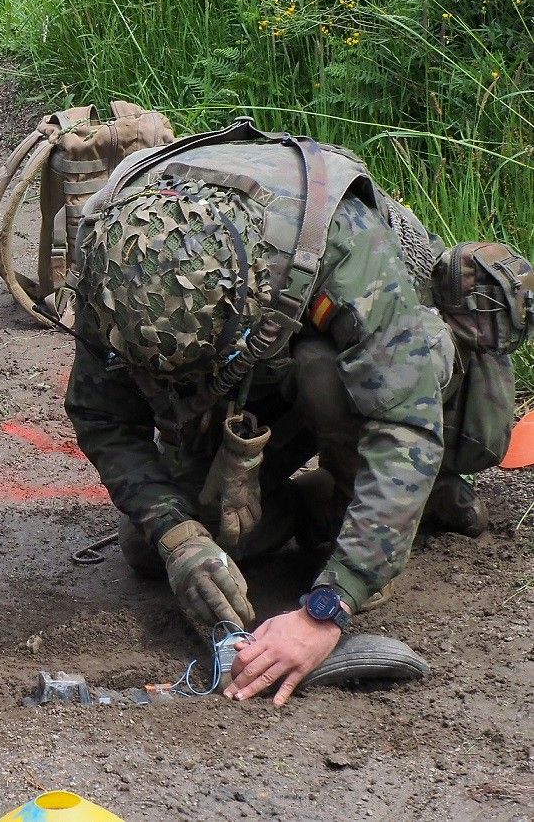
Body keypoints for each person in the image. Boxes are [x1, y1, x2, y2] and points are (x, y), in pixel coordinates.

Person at [64, 119, 530, 705]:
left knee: (321, 372)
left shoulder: (341, 243)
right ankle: (307, 508)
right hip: (249, 379)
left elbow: (403, 421)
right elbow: (103, 417)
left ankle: (369, 504)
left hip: (355, 363)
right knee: (149, 552)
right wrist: (179, 536)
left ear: (247, 305)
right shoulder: (112, 266)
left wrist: (327, 609)